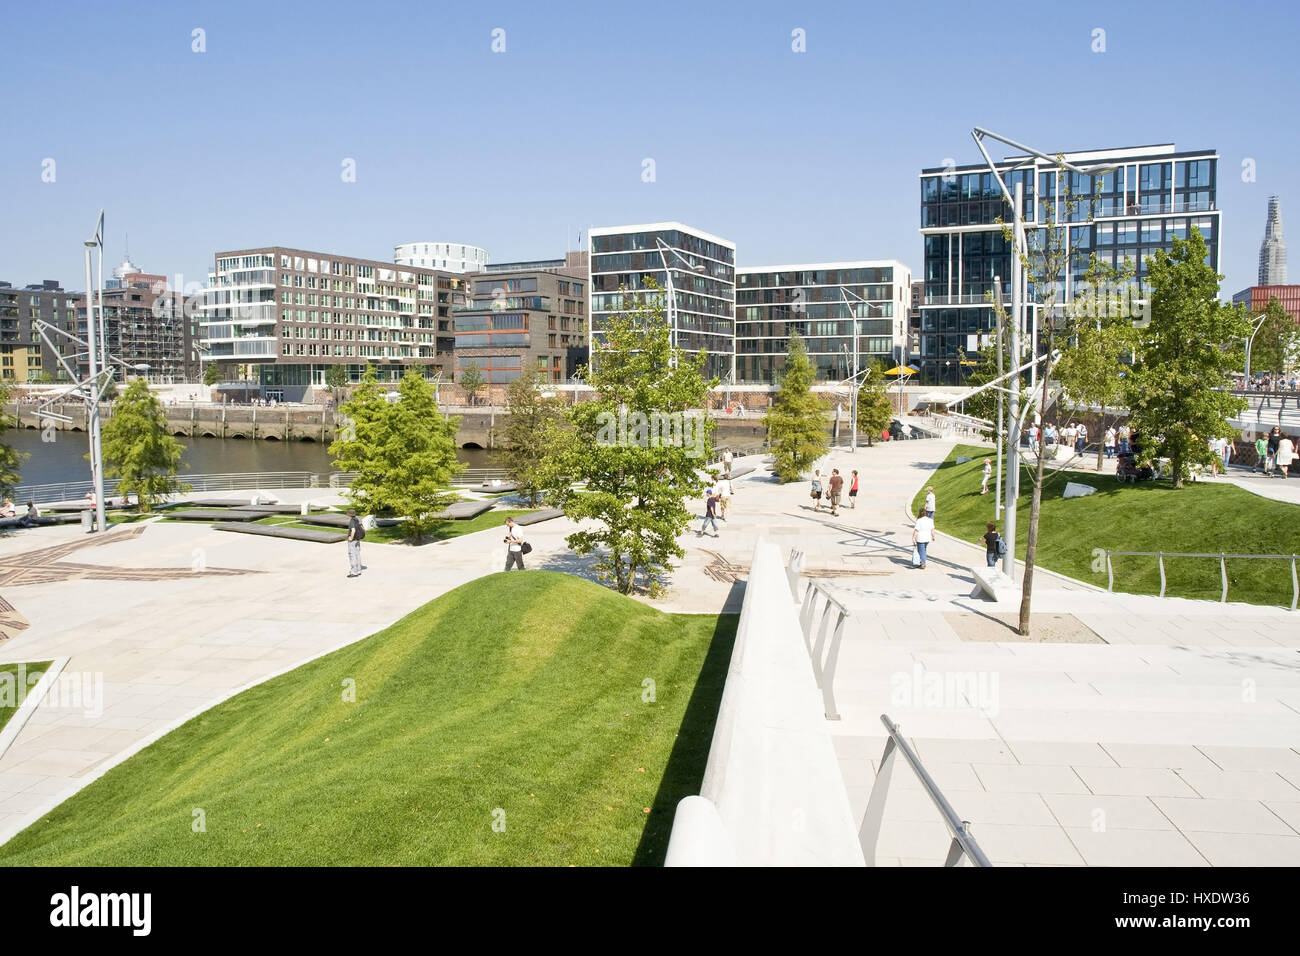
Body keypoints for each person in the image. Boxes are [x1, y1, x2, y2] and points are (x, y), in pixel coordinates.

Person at [346, 509, 365, 577]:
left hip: (353, 540)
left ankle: (354, 572)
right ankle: (358, 570)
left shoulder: (352, 521)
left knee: (352, 555)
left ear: (349, 514)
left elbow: (353, 530)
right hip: (357, 539)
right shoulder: (357, 519)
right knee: (357, 555)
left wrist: (351, 538)